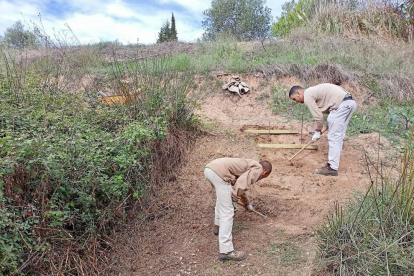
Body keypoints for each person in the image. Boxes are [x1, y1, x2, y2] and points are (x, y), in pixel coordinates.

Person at [204, 158, 272, 261]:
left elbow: (240, 185)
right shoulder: (258, 169)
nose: (263, 178)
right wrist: (234, 198)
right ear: (265, 172)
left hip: (210, 169)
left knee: (222, 200)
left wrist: (246, 203)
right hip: (219, 173)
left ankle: (217, 227)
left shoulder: (248, 166)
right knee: (228, 211)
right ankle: (226, 251)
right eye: (265, 176)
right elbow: (242, 183)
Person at [289, 83, 357, 176]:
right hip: (349, 103)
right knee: (338, 137)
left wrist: (317, 131)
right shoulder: (313, 91)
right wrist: (323, 128)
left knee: (334, 137)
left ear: (298, 93)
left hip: (342, 105)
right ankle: (333, 164)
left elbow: (318, 117)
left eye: (294, 99)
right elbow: (328, 114)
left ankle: (332, 168)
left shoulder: (308, 95)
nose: (296, 101)